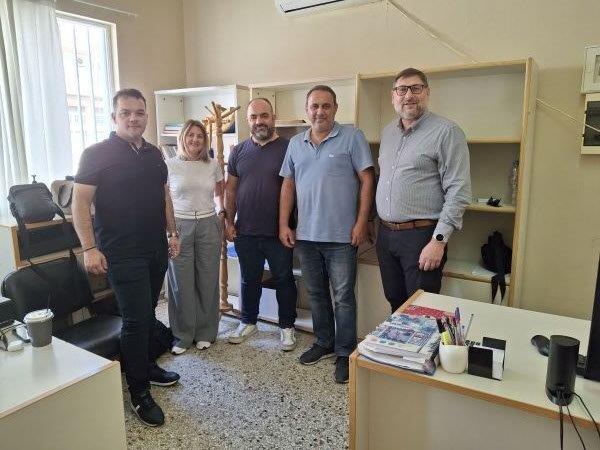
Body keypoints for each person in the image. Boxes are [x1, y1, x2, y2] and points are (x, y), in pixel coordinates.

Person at [72, 88, 181, 427]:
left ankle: (145, 366)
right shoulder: (96, 154)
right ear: (114, 117)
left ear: (146, 115)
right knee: (134, 319)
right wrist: (89, 248)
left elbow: (164, 195)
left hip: (155, 248)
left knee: (147, 314)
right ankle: (138, 392)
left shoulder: (153, 154)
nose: (133, 118)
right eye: (126, 113)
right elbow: (79, 204)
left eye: (139, 112)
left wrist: (173, 233)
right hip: (121, 252)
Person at [279, 85, 374, 383]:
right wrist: (284, 224)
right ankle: (324, 342)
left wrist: (362, 222)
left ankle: (345, 351)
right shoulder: (295, 143)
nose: (319, 111)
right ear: (307, 110)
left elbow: (367, 179)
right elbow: (288, 184)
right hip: (306, 236)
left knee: (343, 297)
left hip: (342, 237)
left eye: (325, 106)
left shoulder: (353, 137)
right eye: (314, 106)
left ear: (335, 108)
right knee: (316, 293)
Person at [375, 67, 471, 313]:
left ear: (427, 92)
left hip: (422, 237)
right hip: (386, 236)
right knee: (395, 303)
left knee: (421, 310)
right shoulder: (388, 133)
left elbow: (458, 191)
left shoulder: (446, 132)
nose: (409, 95)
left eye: (416, 88)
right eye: (402, 90)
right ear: (393, 96)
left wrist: (438, 241)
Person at [225, 98, 298, 350]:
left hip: (279, 231)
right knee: (249, 279)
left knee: (284, 279)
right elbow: (230, 189)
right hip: (245, 230)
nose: (259, 121)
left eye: (264, 116)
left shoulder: (289, 147)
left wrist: (289, 225)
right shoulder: (238, 151)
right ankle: (248, 321)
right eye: (254, 117)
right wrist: (229, 221)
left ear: (273, 117)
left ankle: (287, 327)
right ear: (248, 121)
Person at [166, 119, 224, 355]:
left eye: (200, 136)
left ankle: (205, 332)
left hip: (208, 224)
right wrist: (171, 231)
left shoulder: (213, 164)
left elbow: (220, 192)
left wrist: (222, 213)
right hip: (180, 226)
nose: (195, 140)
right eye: (190, 135)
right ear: (182, 138)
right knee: (181, 282)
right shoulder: (169, 165)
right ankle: (183, 335)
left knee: (208, 280)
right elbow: (165, 201)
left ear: (205, 140)